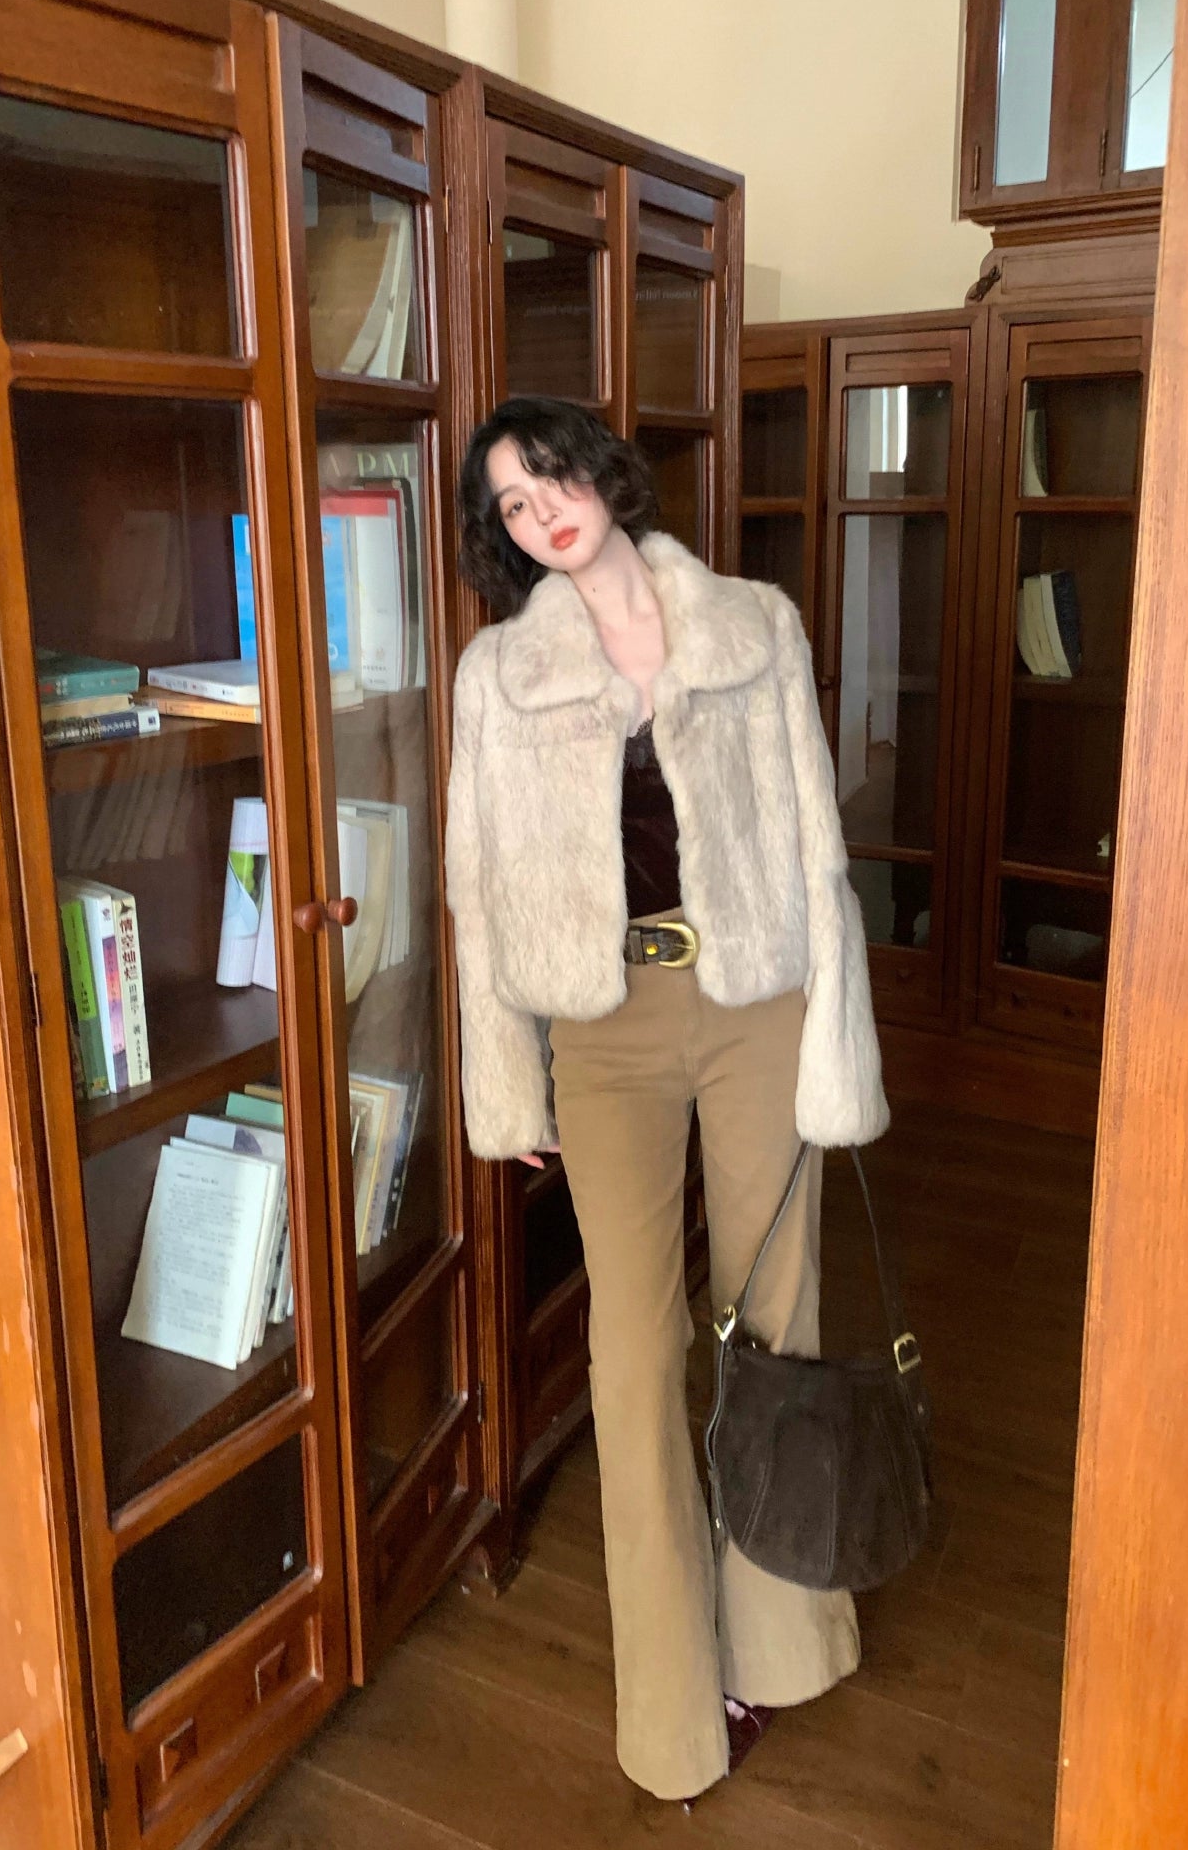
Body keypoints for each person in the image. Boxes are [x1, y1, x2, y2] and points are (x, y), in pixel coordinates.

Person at [443, 395, 889, 1806]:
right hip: (606, 1029)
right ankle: (673, 1713)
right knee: (631, 1358)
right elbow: (475, 895)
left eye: (551, 479)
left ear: (601, 471)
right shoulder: (499, 677)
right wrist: (506, 1076)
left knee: (775, 1324)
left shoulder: (754, 627)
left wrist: (835, 1045)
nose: (543, 515)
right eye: (514, 507)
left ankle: (783, 1647)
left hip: (757, 1004)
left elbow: (817, 851)